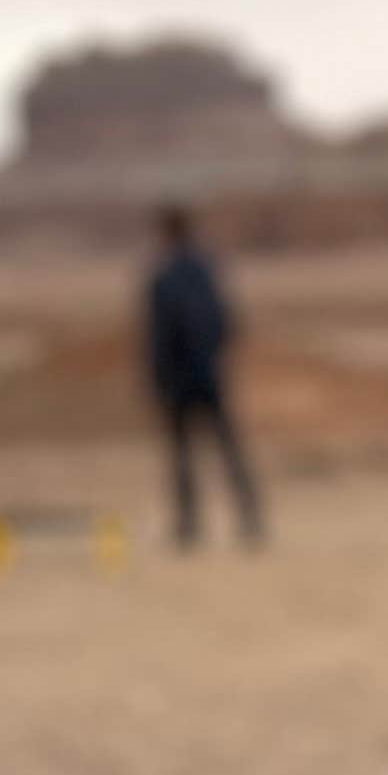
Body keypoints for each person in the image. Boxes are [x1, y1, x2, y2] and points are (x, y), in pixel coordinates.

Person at [141, 206, 263, 550]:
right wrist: (213, 358)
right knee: (225, 451)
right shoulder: (205, 270)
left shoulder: (163, 277)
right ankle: (249, 519)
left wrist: (160, 379)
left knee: (186, 456)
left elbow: (159, 337)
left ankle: (190, 526)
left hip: (182, 380)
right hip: (208, 376)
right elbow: (227, 322)